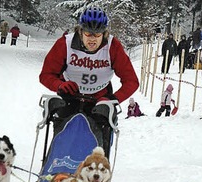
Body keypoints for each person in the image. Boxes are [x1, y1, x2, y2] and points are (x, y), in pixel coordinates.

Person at [38, 6, 138, 147]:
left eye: (97, 35)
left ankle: (99, 163)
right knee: (63, 133)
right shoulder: (65, 44)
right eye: (88, 34)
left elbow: (131, 81)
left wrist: (113, 99)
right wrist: (59, 85)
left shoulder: (113, 46)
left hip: (99, 99)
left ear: (104, 33)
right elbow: (46, 74)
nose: (92, 39)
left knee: (99, 139)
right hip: (71, 96)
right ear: (80, 31)